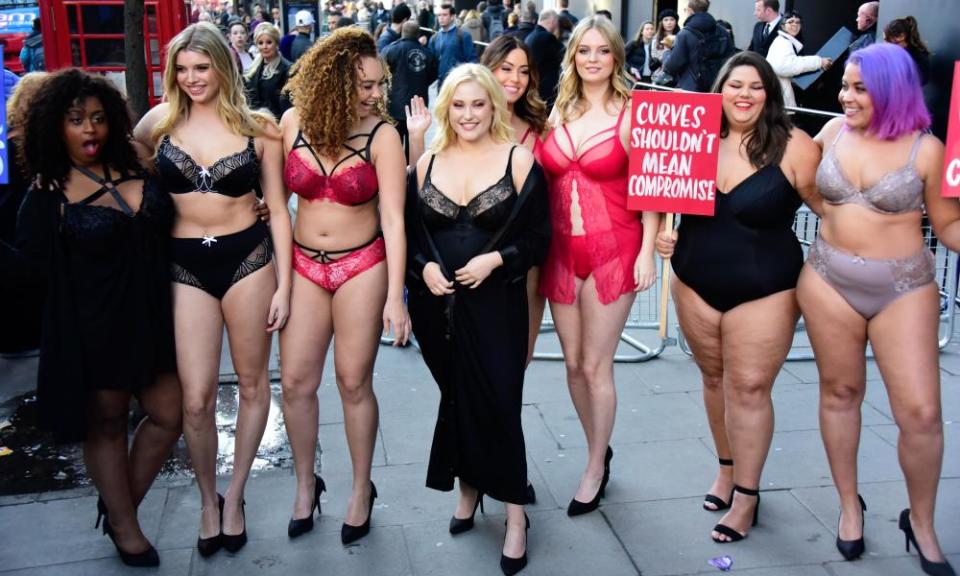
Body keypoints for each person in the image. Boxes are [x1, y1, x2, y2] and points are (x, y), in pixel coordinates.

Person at [798, 43, 958, 576]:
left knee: (922, 413)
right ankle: (849, 507)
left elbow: (949, 225)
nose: (845, 96)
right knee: (840, 394)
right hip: (827, 280)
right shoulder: (831, 133)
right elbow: (800, 182)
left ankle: (922, 521)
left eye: (859, 88)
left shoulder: (927, 149)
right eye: (844, 86)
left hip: (903, 289)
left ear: (891, 89)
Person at [134, 21, 293, 557]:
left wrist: (286, 285)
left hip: (249, 262)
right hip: (184, 269)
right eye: (181, 69)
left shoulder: (259, 128)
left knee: (252, 385)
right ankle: (208, 499)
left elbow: (280, 213)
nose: (192, 78)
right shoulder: (156, 125)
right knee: (197, 400)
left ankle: (236, 496)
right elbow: (114, 171)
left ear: (222, 67)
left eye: (201, 67)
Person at [13, 69, 183, 567]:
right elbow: (29, 275)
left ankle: (116, 505)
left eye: (97, 118)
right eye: (75, 120)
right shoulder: (46, 195)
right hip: (93, 328)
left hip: (152, 318)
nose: (89, 129)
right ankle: (127, 527)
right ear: (53, 127)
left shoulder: (139, 164)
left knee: (169, 415)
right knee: (106, 426)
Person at [655, 51, 822, 543]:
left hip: (766, 289)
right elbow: (661, 194)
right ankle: (726, 469)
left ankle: (747, 496)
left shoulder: (796, 147)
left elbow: (831, 213)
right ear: (719, 90)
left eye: (754, 86)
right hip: (692, 281)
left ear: (768, 93)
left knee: (749, 389)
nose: (743, 95)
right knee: (713, 378)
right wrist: (663, 236)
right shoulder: (692, 138)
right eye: (734, 85)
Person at [407, 63, 549, 576]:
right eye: (459, 104)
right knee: (457, 396)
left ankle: (515, 515)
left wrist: (498, 260)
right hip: (438, 310)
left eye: (478, 104)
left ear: (494, 106)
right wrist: (421, 269)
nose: (468, 114)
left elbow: (539, 238)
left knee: (499, 400)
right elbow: (409, 239)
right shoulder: (425, 164)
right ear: (448, 108)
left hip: (497, 305)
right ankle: (468, 488)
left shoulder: (517, 159)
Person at [279, 26, 410, 545]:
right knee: (295, 384)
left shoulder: (382, 136)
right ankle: (306, 485)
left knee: (353, 382)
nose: (377, 94)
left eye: (380, 84)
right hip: (305, 267)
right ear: (333, 82)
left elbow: (395, 221)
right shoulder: (290, 124)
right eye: (365, 85)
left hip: (363, 265)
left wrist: (396, 297)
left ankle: (360, 489)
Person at [539, 16, 659, 518]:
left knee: (595, 364)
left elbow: (652, 188)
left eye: (602, 51)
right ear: (573, 58)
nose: (592, 59)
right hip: (561, 252)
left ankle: (593, 467)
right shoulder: (557, 110)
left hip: (615, 249)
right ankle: (598, 445)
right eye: (583, 51)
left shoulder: (634, 112)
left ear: (616, 57)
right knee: (571, 365)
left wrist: (650, 249)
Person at [382, 21, 438, 157]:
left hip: (395, 104)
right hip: (417, 105)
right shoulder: (427, 53)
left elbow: (382, 73)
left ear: (402, 31)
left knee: (394, 142)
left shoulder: (390, 50)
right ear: (418, 34)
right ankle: (412, 173)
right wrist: (421, 82)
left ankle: (396, 170)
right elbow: (433, 75)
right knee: (415, 142)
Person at [664, 0, 733, 92]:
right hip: (717, 87)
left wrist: (667, 52)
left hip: (690, 88)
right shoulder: (723, 32)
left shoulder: (684, 34)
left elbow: (672, 67)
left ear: (690, 10)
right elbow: (731, 60)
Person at [766, 10, 831, 108]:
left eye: (798, 22)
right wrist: (819, 62)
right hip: (779, 103)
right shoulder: (782, 42)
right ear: (783, 26)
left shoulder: (784, 41)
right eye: (790, 21)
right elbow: (785, 67)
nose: (795, 24)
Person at [245, 23, 292, 121]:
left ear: (276, 43)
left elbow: (287, 105)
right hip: (255, 123)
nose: (264, 47)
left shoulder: (287, 68)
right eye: (260, 43)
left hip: (277, 124)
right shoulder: (254, 67)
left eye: (269, 42)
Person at [430, 4, 478, 88]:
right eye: (439, 15)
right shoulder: (434, 38)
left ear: (452, 17)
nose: (441, 18)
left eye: (444, 15)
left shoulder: (464, 35)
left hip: (459, 82)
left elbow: (472, 60)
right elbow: (430, 61)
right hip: (441, 83)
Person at [524, 9, 564, 109]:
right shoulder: (547, 38)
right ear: (553, 21)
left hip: (534, 90)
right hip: (547, 93)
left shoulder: (529, 37)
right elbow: (567, 54)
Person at [884, 17, 932, 86]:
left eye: (887, 39)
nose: (885, 43)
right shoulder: (912, 53)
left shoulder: (912, 56)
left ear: (901, 36)